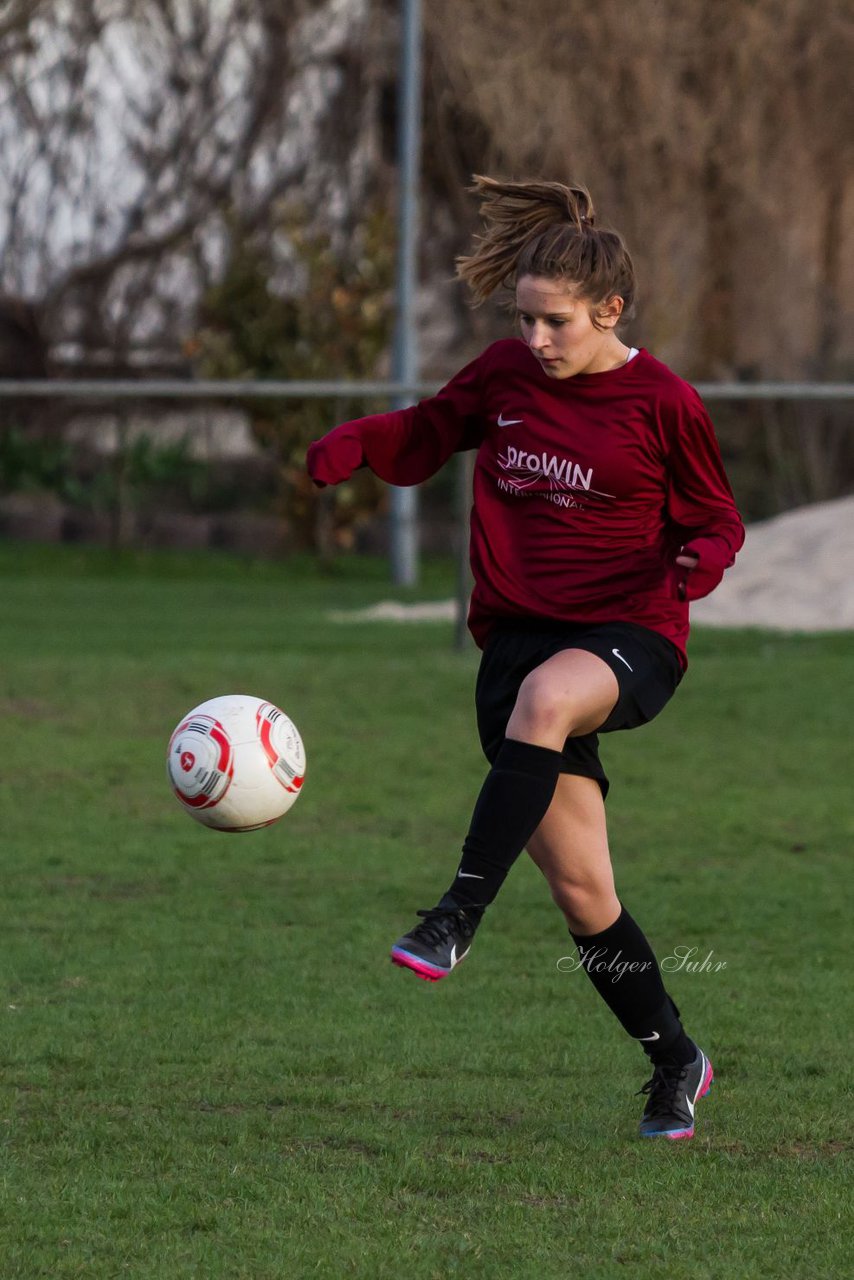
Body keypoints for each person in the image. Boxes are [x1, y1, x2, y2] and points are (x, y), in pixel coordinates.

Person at [306, 176, 744, 1141]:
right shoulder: (505, 375)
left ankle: (454, 915)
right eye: (525, 320)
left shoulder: (665, 402)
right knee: (588, 897)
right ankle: (677, 1061)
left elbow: (717, 517)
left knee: (550, 699)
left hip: (633, 635)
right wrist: (359, 443)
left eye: (555, 324)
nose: (537, 340)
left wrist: (697, 561)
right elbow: (428, 432)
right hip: (516, 647)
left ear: (609, 310)